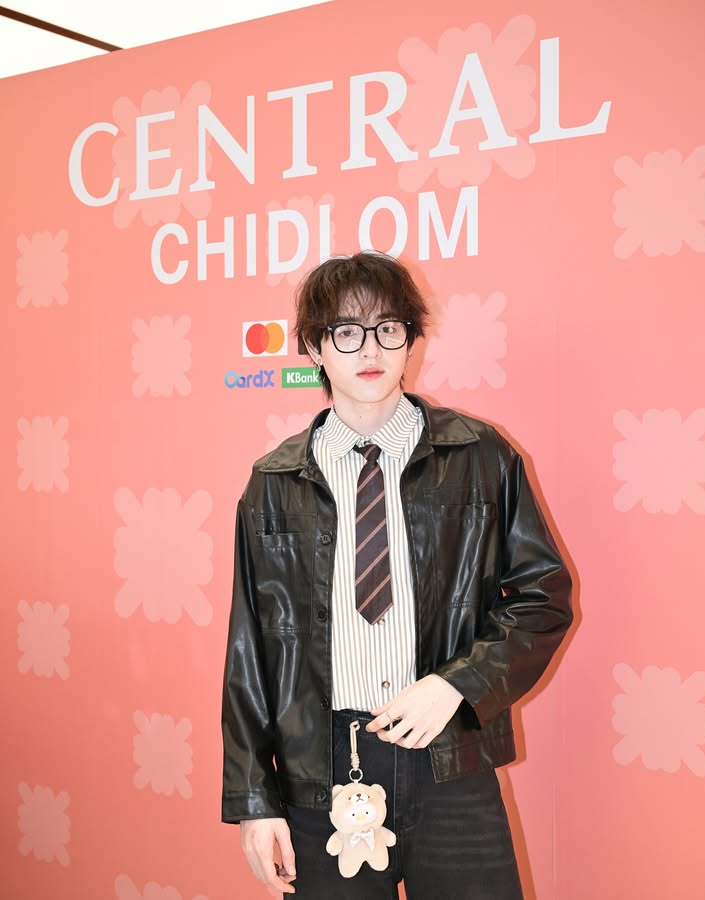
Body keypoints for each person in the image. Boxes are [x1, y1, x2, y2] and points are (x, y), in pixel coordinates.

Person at [222, 251, 572, 899]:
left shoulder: (480, 456)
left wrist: (456, 685)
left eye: (388, 328)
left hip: (451, 761)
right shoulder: (272, 483)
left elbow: (542, 597)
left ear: (411, 339)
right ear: (314, 348)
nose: (369, 348)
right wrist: (254, 800)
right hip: (320, 771)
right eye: (345, 331)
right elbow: (250, 652)